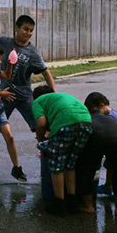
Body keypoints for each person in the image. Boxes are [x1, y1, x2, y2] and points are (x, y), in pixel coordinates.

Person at [0, 14, 56, 132]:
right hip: (5, 95)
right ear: (17, 28)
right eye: (25, 29)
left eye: (31, 31)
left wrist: (53, 94)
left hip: (25, 96)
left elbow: (46, 72)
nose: (28, 33)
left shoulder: (33, 53)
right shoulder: (5, 42)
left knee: (41, 126)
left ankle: (45, 148)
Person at [31, 86, 92, 215]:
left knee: (57, 167)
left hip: (65, 125)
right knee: (70, 165)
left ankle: (59, 206)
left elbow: (41, 123)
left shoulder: (38, 101)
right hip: (87, 123)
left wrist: (40, 140)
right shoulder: (60, 97)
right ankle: (72, 203)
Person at [74, 107, 117, 217]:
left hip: (96, 138)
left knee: (86, 170)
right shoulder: (110, 118)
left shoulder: (87, 119)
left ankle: (88, 206)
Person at [0, 43, 26, 184]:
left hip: (0, 111)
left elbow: (7, 75)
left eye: (0, 59)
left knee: (10, 138)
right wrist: (1, 93)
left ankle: (16, 168)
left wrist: (10, 63)